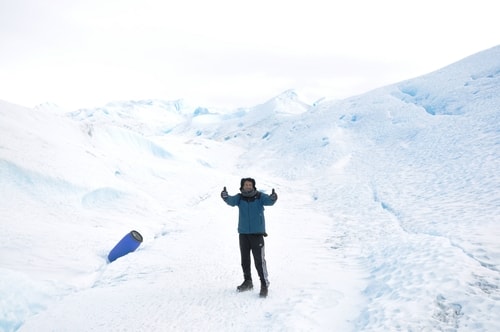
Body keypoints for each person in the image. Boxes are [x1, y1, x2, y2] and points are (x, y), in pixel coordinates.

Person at [221, 177, 278, 298]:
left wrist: (273, 197)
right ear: (242, 186)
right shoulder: (239, 197)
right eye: (246, 184)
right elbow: (231, 201)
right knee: (245, 260)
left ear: (253, 186)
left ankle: (264, 284)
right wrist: (225, 196)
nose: (248, 186)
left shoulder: (259, 196)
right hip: (243, 234)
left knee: (259, 261)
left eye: (250, 184)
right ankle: (248, 282)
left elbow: (270, 201)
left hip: (257, 235)